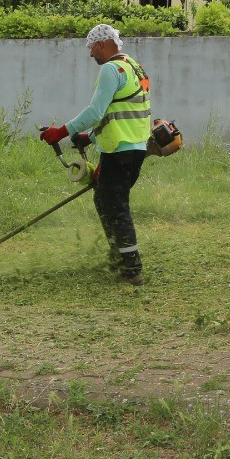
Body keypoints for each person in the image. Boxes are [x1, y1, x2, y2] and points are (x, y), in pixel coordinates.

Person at [39, 24, 152, 285]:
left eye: (91, 48)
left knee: (115, 206)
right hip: (134, 149)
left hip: (119, 151)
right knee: (105, 200)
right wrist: (88, 137)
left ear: (101, 44)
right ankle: (118, 258)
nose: (91, 55)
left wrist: (62, 132)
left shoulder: (111, 69)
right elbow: (123, 111)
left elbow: (95, 111)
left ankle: (131, 270)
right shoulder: (134, 67)